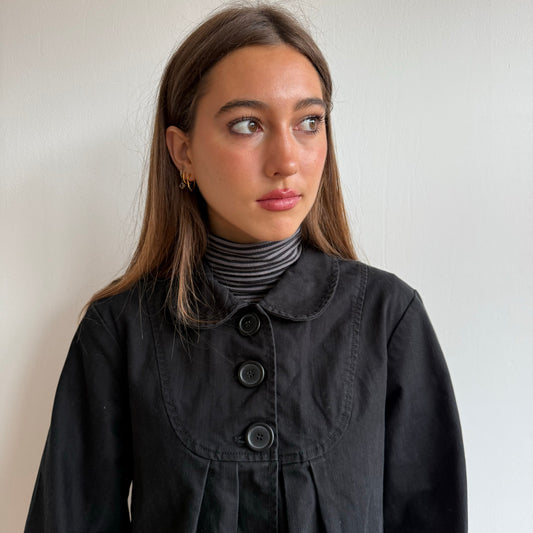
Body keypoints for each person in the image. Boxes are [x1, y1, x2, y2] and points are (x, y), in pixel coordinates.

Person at [25, 4, 467, 532]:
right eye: (247, 125)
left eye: (309, 122)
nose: (287, 160)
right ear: (183, 152)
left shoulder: (388, 318)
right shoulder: (119, 332)